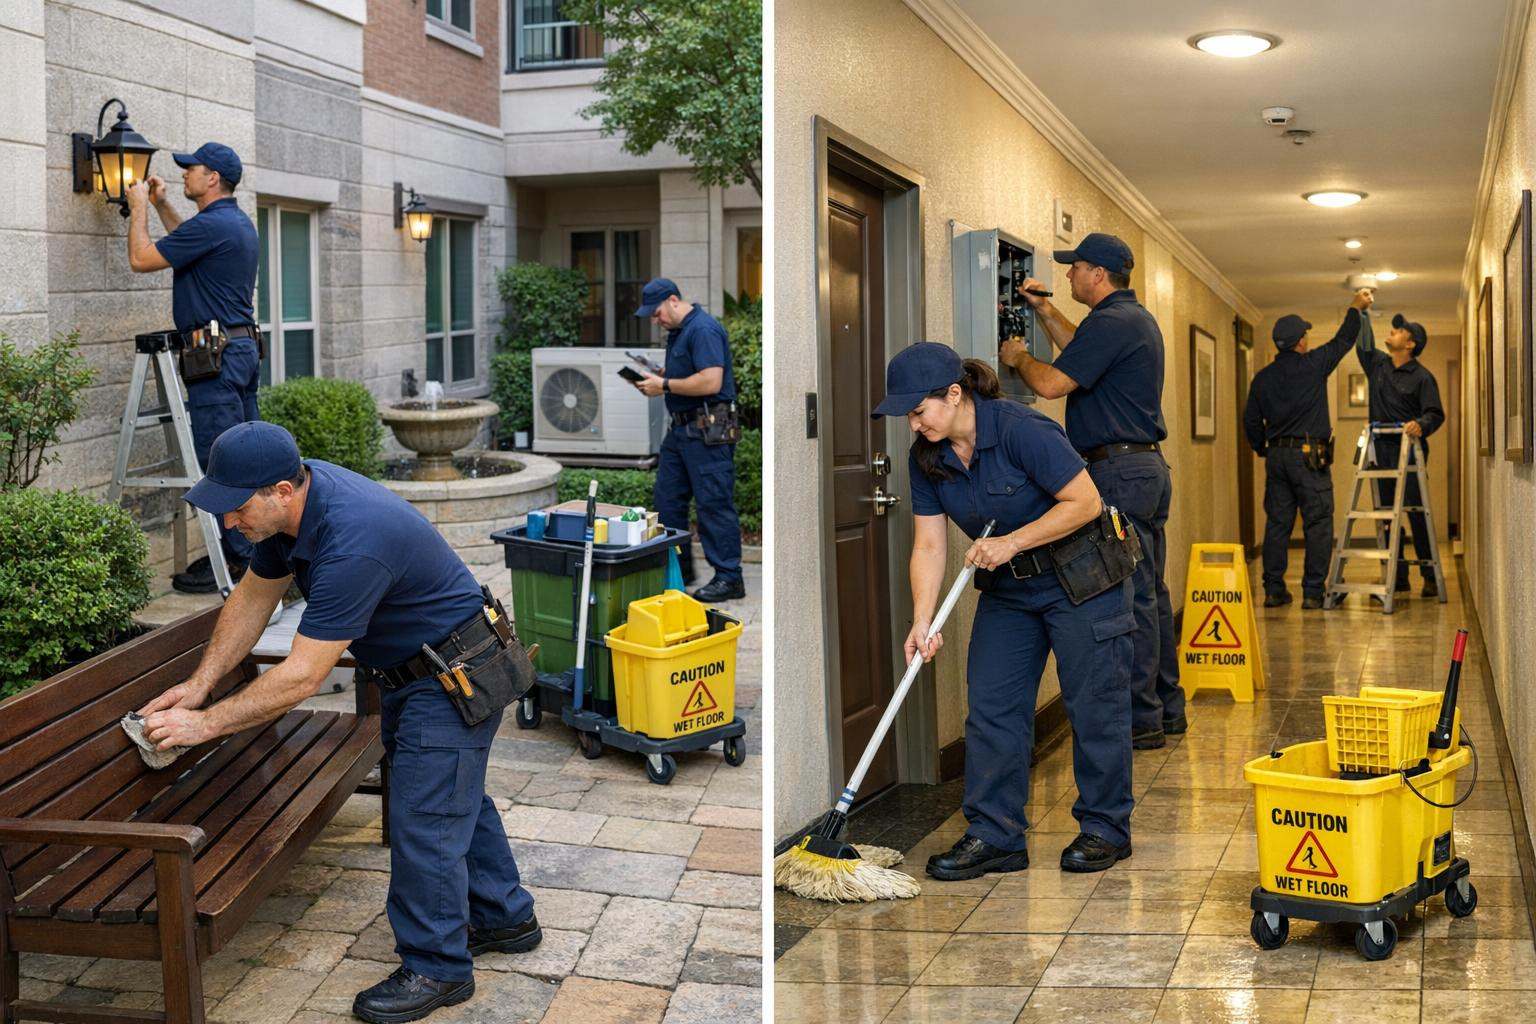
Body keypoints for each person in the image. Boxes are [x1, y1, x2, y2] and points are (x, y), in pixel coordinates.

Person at [135, 422, 541, 1024]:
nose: (227, 523)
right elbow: (253, 597)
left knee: (425, 819)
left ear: (280, 489)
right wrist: (199, 686)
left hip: (453, 673)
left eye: (236, 507)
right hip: (419, 669)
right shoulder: (290, 509)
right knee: (451, 798)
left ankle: (438, 967)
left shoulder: (355, 539)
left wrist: (205, 725)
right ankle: (503, 918)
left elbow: (302, 676)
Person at [875, 343, 1135, 876]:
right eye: (907, 415)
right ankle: (995, 834)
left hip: (1082, 580)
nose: (913, 424)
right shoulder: (926, 456)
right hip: (1010, 592)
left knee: (1094, 702)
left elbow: (1083, 503)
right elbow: (928, 544)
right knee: (993, 707)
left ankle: (1105, 826)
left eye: (918, 411)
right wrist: (922, 619)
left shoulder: (1023, 430)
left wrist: (1013, 541)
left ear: (954, 394)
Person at [999, 232, 1181, 751]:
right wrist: (1042, 310)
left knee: (1129, 596)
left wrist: (1017, 358)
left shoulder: (1112, 321)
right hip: (1141, 468)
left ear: (1097, 274)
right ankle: (1165, 709)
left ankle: (1140, 719)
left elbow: (1055, 383)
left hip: (1119, 474)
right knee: (1150, 592)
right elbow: (1080, 350)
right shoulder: (1127, 320)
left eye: (1074, 267)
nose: (1068, 276)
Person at [126, 142, 262, 595]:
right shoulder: (232, 223)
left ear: (213, 180)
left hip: (216, 360)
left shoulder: (212, 225)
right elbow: (188, 243)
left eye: (192, 169)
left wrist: (140, 205)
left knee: (220, 460)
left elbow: (142, 259)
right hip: (240, 351)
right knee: (245, 457)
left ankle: (239, 562)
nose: (184, 174)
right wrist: (164, 203)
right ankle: (251, 551)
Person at [1243, 289, 1375, 609]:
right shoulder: (1313, 365)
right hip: (1309, 457)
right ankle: (1313, 592)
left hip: (1277, 457)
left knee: (1278, 523)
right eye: (1306, 335)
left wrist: (1265, 449)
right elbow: (1344, 339)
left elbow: (1250, 422)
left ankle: (1275, 590)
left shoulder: (1262, 379)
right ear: (1300, 341)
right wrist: (1356, 307)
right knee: (1317, 521)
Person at [633, 277, 746, 602]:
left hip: (708, 430)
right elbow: (687, 374)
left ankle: (729, 577)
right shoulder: (679, 332)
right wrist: (659, 376)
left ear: (672, 300)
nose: (656, 321)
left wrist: (664, 386)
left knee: (713, 503)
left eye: (656, 313)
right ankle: (680, 572)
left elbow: (711, 381)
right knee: (668, 500)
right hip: (681, 431)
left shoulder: (703, 329)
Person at [1356, 311, 1444, 598]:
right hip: (1380, 452)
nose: (1393, 332)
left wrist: (1421, 424)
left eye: (1399, 330)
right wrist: (1362, 314)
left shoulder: (1422, 377)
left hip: (1409, 453)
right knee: (1386, 516)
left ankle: (1430, 576)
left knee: (1415, 513)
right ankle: (1396, 576)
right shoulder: (1378, 366)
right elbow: (1364, 345)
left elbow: (1435, 413)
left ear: (1411, 343)